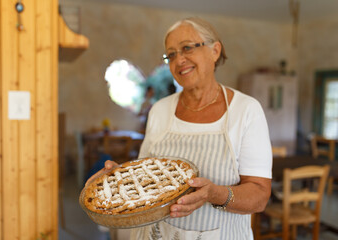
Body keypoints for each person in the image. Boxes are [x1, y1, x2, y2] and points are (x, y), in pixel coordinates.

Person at [87, 17, 272, 239]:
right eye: (171, 54)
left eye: (187, 48)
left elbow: (259, 196)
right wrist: (121, 182)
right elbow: (146, 177)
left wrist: (215, 194)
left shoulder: (246, 110)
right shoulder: (159, 110)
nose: (179, 60)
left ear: (215, 51)